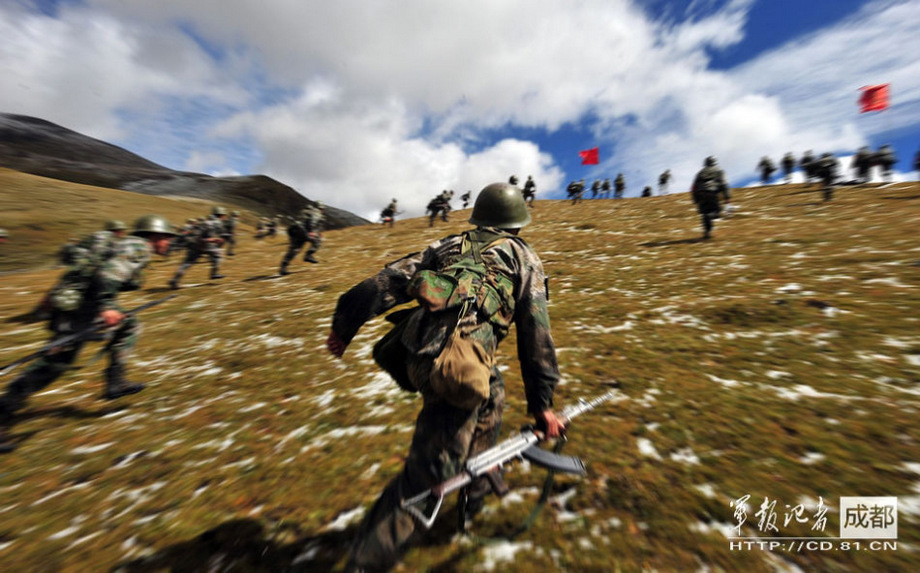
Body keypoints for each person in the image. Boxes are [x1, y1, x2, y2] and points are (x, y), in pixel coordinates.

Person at [326, 182, 564, 571]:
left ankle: (477, 487)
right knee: (429, 476)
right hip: (455, 371)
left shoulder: (449, 245)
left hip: (417, 354)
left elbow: (388, 280)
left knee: (492, 391)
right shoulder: (524, 258)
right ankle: (365, 562)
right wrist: (543, 407)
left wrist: (343, 326)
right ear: (518, 223)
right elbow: (536, 338)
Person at [1, 215, 177, 453]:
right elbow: (107, 275)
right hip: (78, 309)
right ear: (155, 236)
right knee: (54, 364)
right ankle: (4, 410)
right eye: (167, 238)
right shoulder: (138, 248)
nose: (170, 243)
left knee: (129, 326)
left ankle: (115, 382)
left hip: (85, 305)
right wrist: (107, 306)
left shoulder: (128, 245)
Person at [169, 206, 227, 289]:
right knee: (217, 255)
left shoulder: (208, 222)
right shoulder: (212, 223)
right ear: (221, 215)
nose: (224, 218)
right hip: (204, 245)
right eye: (224, 216)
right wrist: (212, 239)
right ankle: (214, 273)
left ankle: (175, 280)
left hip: (197, 246)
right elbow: (200, 237)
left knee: (187, 263)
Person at [691, 156, 731, 240]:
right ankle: (710, 217)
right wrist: (727, 197)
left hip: (700, 194)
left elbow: (694, 187)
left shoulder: (700, 173)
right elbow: (724, 184)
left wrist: (695, 199)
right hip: (711, 193)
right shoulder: (719, 170)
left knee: (705, 213)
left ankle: (707, 232)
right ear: (714, 162)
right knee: (716, 211)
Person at [280, 202, 325, 275]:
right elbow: (312, 222)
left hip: (294, 230)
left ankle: (283, 268)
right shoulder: (316, 212)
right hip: (303, 230)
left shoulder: (305, 211)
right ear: (320, 208)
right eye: (322, 209)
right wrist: (311, 231)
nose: (323, 211)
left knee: (294, 249)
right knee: (317, 240)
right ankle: (308, 255)